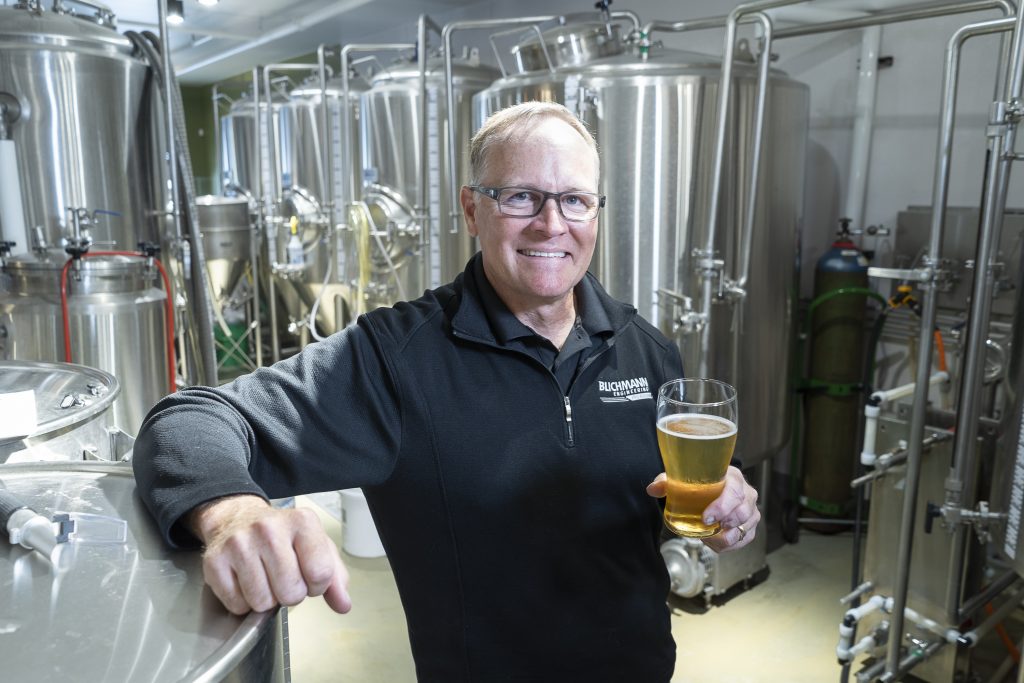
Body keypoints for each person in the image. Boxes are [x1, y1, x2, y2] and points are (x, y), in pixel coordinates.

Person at [133, 101, 760, 682]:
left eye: (574, 200)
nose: (551, 224)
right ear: (471, 209)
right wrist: (233, 513)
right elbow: (191, 419)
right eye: (522, 197)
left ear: (595, 212)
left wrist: (715, 514)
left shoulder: (646, 349)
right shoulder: (396, 360)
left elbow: (656, 506)